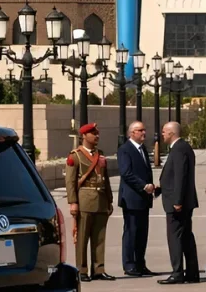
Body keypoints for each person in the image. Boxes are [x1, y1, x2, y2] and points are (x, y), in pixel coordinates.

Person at [65, 123, 115, 282]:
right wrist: (73, 202)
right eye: (93, 133)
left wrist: (109, 199)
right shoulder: (75, 156)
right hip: (84, 200)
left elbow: (105, 179)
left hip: (100, 200)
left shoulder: (100, 155)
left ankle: (99, 269)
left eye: (97, 133)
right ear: (84, 136)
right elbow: (70, 181)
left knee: (99, 237)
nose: (97, 136)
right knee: (82, 237)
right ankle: (82, 270)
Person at [159, 122, 200, 285]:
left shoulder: (179, 149)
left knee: (175, 237)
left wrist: (177, 200)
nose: (162, 135)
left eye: (164, 132)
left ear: (171, 133)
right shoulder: (183, 147)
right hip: (182, 200)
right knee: (185, 237)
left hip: (178, 203)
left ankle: (177, 273)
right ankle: (191, 273)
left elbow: (180, 176)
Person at [117, 121, 155, 277]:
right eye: (140, 130)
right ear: (132, 133)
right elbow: (126, 173)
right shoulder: (125, 150)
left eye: (145, 130)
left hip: (143, 199)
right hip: (132, 198)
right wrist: (143, 185)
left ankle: (140, 263)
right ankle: (129, 264)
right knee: (131, 232)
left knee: (142, 233)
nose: (144, 133)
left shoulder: (142, 149)